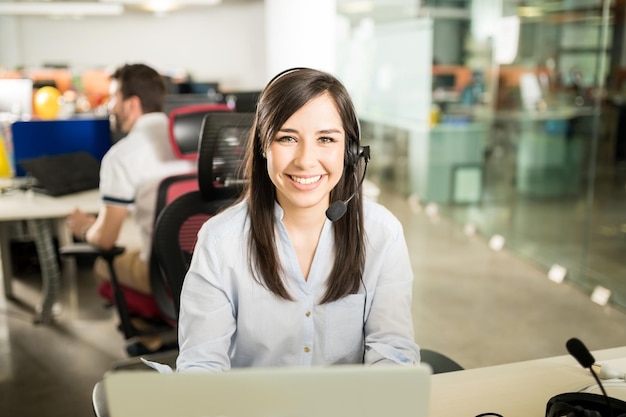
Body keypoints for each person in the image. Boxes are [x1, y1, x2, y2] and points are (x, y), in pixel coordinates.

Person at [176, 67, 420, 371]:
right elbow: (201, 366)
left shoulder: (382, 233)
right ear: (264, 146)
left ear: (350, 151)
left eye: (326, 139)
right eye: (287, 138)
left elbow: (392, 351)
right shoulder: (220, 241)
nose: (305, 160)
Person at [66, 63, 195, 353]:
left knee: (104, 261)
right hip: (208, 268)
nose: (110, 106)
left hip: (164, 276)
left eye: (113, 98)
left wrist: (83, 227)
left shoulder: (122, 156)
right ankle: (167, 331)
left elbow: (106, 238)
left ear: (132, 103)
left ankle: (153, 327)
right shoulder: (191, 142)